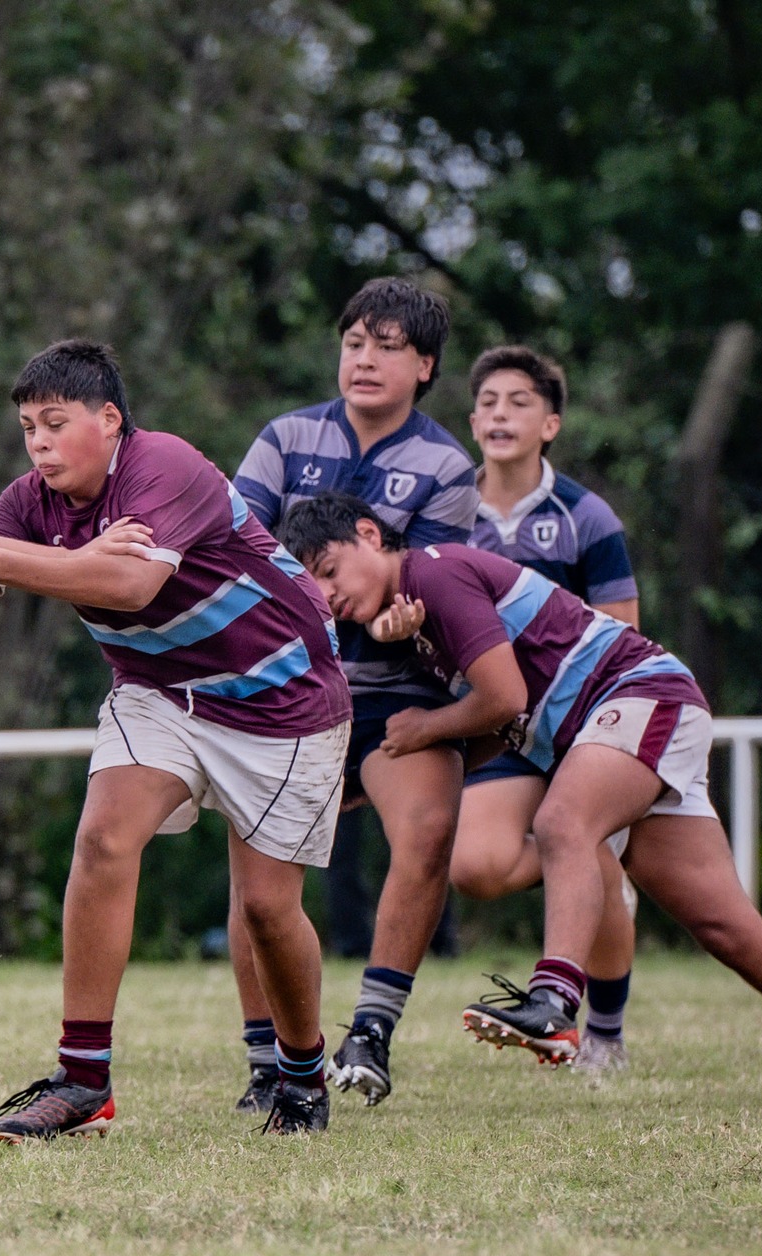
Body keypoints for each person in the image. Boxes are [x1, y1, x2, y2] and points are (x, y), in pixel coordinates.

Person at [286, 490, 762, 1104]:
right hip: (614, 725)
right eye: (310, 584)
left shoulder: (433, 571)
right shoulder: (411, 615)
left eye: (328, 569)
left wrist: (426, 727)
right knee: (731, 931)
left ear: (370, 534)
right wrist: (388, 778)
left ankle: (553, 1001)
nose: (324, 593)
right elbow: (501, 722)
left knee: (563, 822)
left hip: (639, 695)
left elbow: (506, 698)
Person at [0, 339, 352, 1140]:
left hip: (283, 695)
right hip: (158, 694)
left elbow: (128, 581)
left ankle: (301, 1072)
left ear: (110, 420)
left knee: (265, 909)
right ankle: (84, 1081)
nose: (39, 443)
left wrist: (16, 557)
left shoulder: (164, 465)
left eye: (55, 423)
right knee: (104, 840)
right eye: (27, 428)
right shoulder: (30, 504)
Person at [228, 277, 476, 1110]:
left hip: (394, 694)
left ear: (426, 365)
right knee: (258, 877)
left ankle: (370, 1031)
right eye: (354, 342)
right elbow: (236, 554)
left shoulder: (445, 465)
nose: (364, 359)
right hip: (290, 692)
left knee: (430, 827)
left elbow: (433, 589)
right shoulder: (284, 438)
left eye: (388, 346)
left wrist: (404, 624)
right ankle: (267, 1063)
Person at [455, 346, 641, 1076]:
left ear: (551, 423)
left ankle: (605, 1033)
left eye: (520, 402)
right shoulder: (445, 512)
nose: (502, 413)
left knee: (581, 842)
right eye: (490, 402)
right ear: (471, 420)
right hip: (499, 728)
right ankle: (589, 871)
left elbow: (622, 631)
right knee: (474, 866)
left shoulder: (586, 516)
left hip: (580, 723)